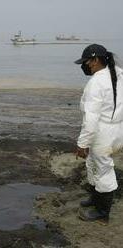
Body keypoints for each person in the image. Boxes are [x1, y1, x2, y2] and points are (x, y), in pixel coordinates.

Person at [75, 44, 123, 224]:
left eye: (86, 62)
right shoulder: (118, 73)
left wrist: (82, 143)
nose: (85, 66)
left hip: (102, 132)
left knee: (103, 169)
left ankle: (103, 213)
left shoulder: (96, 82)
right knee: (93, 163)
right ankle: (95, 198)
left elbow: (91, 118)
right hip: (117, 129)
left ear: (95, 60)